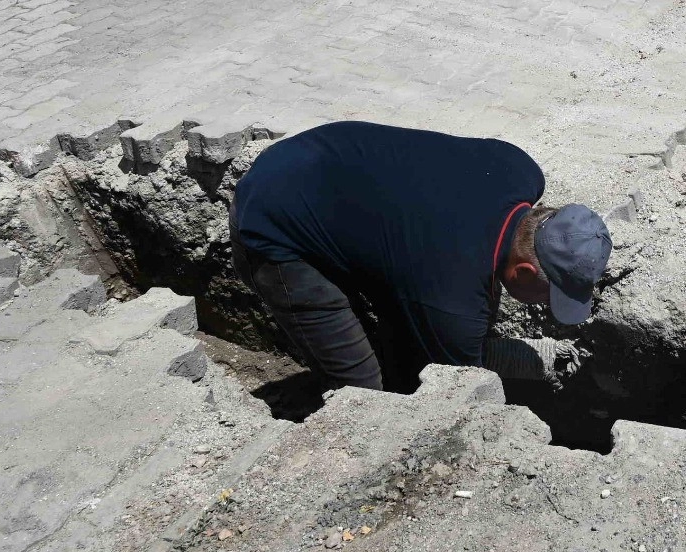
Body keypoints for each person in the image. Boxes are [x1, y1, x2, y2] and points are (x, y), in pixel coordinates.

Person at [230, 120, 612, 392]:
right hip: (274, 221)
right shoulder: (450, 291)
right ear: (526, 272)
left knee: (401, 341)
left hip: (316, 157)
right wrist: (541, 357)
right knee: (364, 392)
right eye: (551, 296)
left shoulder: (519, 168)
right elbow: (456, 369)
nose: (547, 307)